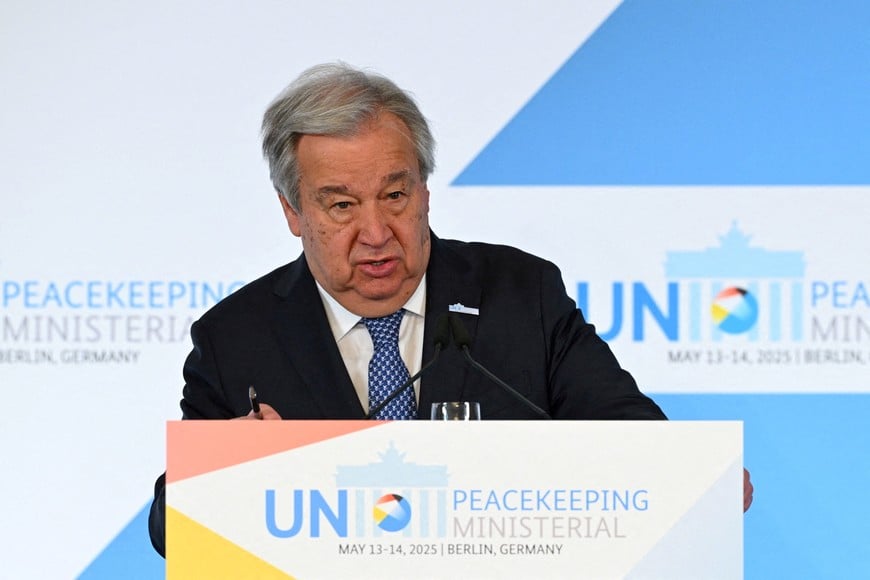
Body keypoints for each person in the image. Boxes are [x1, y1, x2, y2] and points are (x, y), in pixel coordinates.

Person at [148, 62, 752, 556]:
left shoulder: (521, 295)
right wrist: (223, 478)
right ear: (292, 212)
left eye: (395, 194)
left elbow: (633, 434)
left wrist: (693, 479)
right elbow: (169, 530)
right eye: (341, 206)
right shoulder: (236, 338)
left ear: (425, 191)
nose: (377, 232)